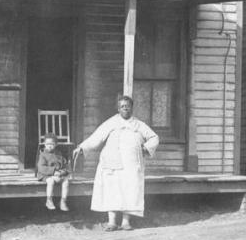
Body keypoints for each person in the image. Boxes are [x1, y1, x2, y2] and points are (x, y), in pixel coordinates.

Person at [72, 95, 159, 231]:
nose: (125, 108)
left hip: (132, 164)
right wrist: (82, 147)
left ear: (132, 108)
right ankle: (112, 222)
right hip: (112, 161)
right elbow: (96, 137)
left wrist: (146, 147)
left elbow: (154, 137)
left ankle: (125, 222)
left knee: (130, 190)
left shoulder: (139, 125)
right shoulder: (110, 123)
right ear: (118, 109)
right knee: (112, 190)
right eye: (122, 106)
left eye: (128, 106)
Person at [37, 133, 70, 212]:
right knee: (50, 181)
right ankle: (49, 200)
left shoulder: (58, 154)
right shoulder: (43, 155)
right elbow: (41, 168)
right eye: (47, 144)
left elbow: (64, 165)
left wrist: (62, 172)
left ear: (56, 144)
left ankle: (63, 201)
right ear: (44, 144)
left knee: (66, 181)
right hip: (45, 175)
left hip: (57, 175)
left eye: (52, 144)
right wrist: (54, 172)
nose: (49, 146)